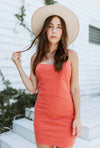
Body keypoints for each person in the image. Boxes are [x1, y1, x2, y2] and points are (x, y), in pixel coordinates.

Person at [11, 4, 81, 148]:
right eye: (50, 26)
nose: (54, 30)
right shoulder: (35, 57)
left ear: (63, 32)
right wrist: (18, 65)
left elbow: (75, 88)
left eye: (59, 27)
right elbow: (32, 89)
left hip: (66, 118)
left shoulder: (71, 56)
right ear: (45, 30)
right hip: (43, 118)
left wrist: (78, 118)